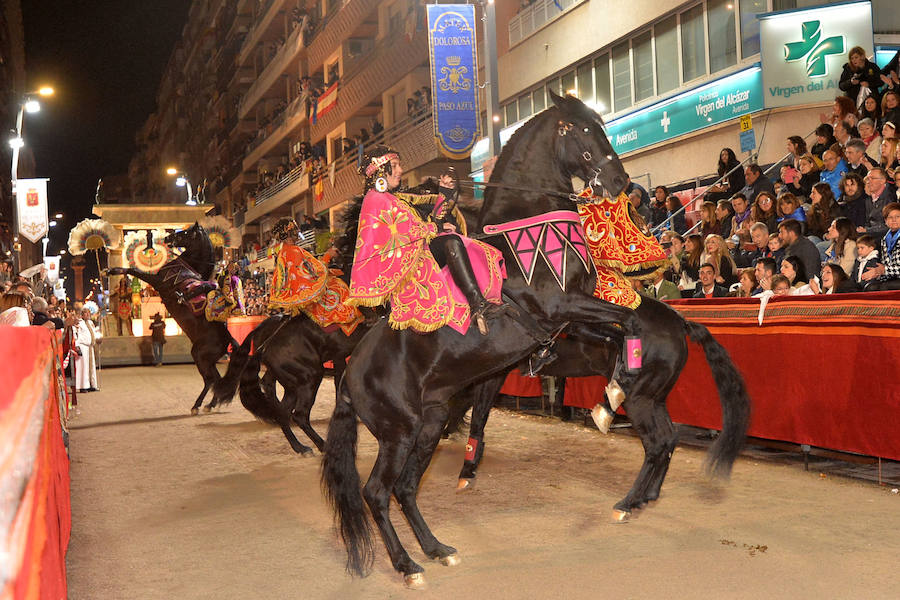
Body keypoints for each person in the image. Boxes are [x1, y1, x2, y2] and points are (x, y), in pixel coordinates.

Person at [349, 146, 505, 335]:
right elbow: (408, 232)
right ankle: (478, 305)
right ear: (381, 170)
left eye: (399, 165)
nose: (400, 170)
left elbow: (427, 223)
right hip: (410, 262)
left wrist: (445, 194)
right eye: (395, 166)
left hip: (417, 252)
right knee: (451, 243)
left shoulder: (391, 198)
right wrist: (437, 228)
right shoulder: (376, 199)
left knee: (454, 240)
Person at [861, 202, 900, 290]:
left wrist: (883, 271)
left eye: (897, 217)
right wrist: (878, 274)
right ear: (885, 221)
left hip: (895, 279)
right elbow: (885, 267)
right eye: (890, 217)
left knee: (884, 287)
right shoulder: (884, 240)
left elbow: (886, 269)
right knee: (869, 287)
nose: (894, 220)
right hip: (893, 278)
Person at [859, 167, 896, 237]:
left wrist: (867, 230)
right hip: (870, 235)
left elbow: (889, 226)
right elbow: (867, 222)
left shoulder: (890, 198)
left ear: (883, 181)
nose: (868, 181)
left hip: (883, 236)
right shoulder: (869, 198)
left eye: (872, 178)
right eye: (868, 179)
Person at [80, 308, 101, 391]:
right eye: (86, 313)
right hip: (84, 347)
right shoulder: (80, 323)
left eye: (89, 313)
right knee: (84, 367)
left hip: (90, 347)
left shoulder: (90, 323)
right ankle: (84, 386)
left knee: (91, 367)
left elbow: (93, 332)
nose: (88, 314)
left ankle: (92, 385)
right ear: (82, 314)